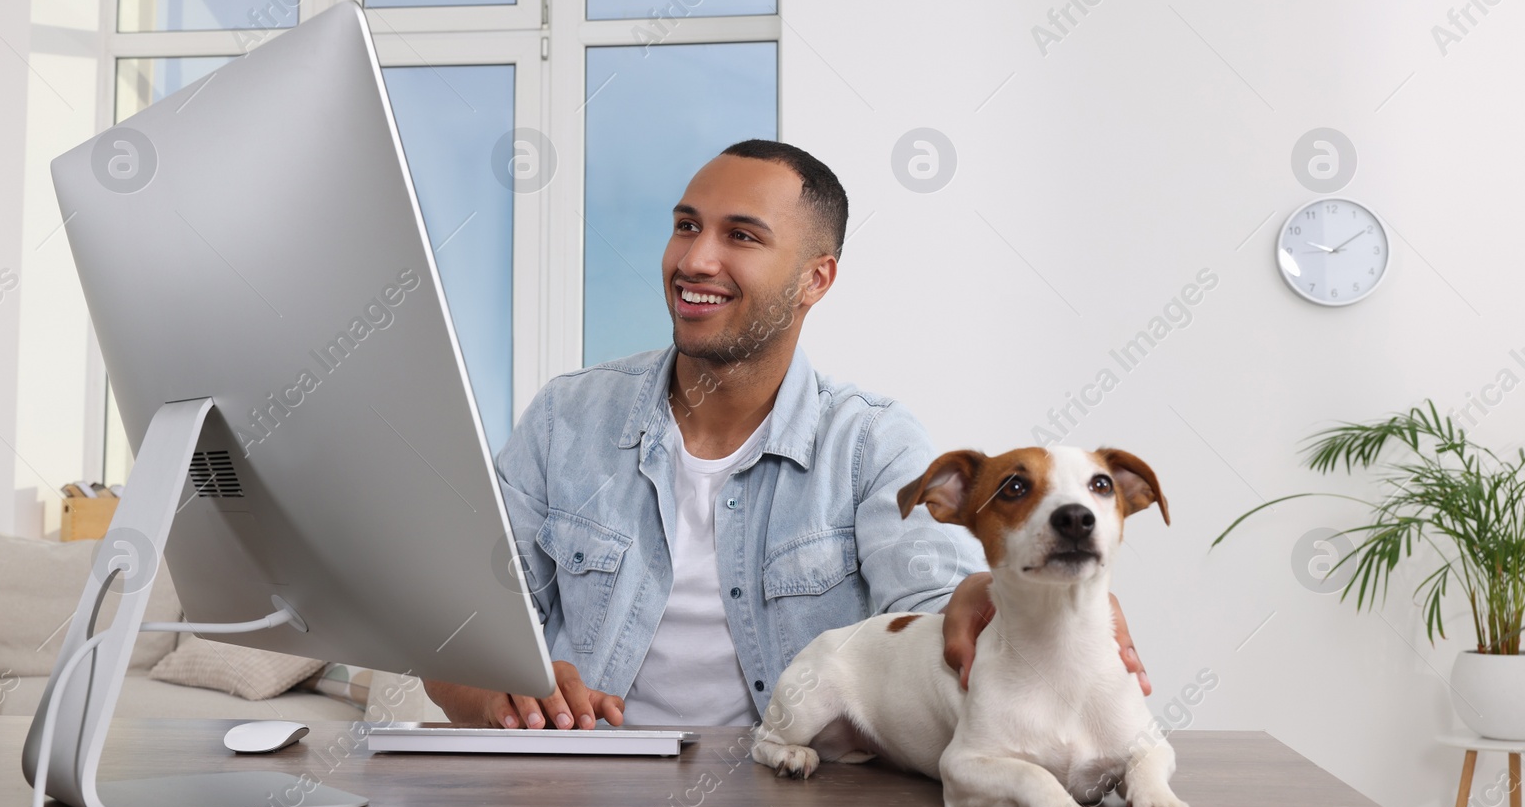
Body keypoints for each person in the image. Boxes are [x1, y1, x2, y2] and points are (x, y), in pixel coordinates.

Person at [423, 140, 1149, 729]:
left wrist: (1002, 598)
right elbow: (456, 629)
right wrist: (498, 696)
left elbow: (935, 604)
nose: (695, 260)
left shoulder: (870, 441)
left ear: (816, 279)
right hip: (587, 795)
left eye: (740, 236)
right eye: (686, 225)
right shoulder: (566, 418)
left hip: (793, 801)